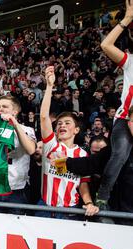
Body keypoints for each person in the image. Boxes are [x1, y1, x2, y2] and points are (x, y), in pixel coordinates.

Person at [37, 66, 99, 219]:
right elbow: (44, 117)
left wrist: (89, 203)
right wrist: (50, 86)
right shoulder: (51, 145)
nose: (62, 125)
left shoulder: (83, 153)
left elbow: (83, 183)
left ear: (76, 130)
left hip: (69, 211)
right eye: (59, 123)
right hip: (44, 207)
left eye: (67, 123)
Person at [97, 0, 133, 210]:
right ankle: (102, 196)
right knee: (119, 154)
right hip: (123, 119)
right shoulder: (130, 60)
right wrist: (126, 20)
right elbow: (105, 45)